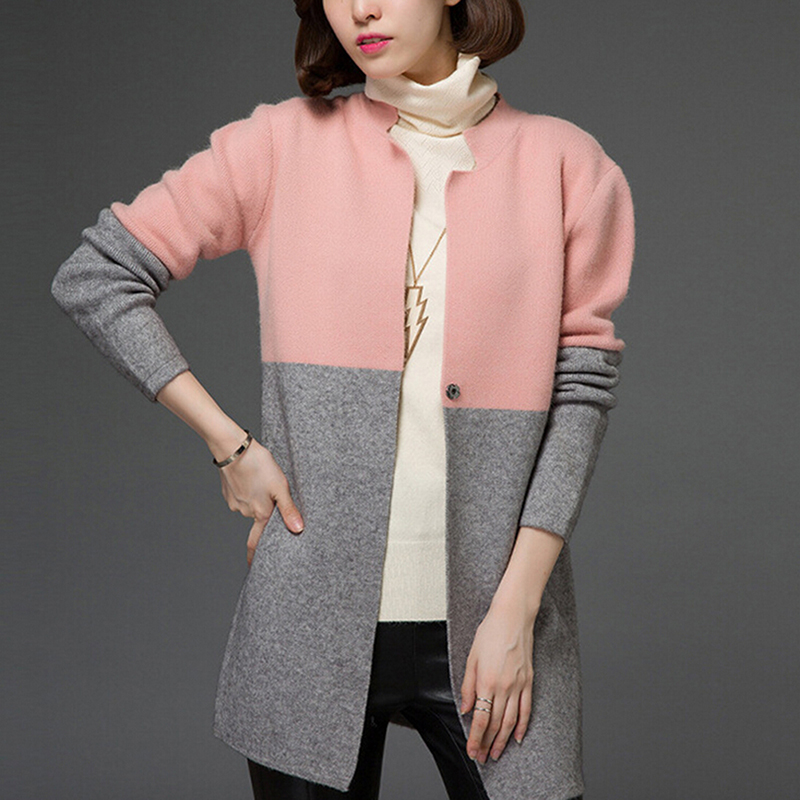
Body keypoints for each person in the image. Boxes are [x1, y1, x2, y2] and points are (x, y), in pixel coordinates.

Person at [50, 0, 635, 798]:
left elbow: (580, 392)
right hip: (306, 625)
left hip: (497, 626)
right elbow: (97, 276)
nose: (361, 8)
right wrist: (230, 445)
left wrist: (517, 611)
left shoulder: (567, 164)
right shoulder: (281, 144)